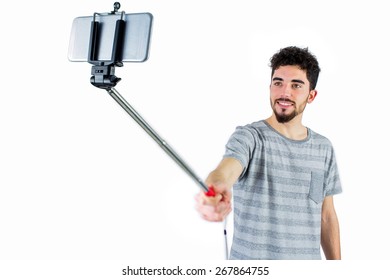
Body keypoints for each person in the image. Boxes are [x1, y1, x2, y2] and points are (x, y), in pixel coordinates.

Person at [195, 46, 342, 260]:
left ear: (311, 95)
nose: (285, 92)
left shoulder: (323, 147)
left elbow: (326, 216)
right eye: (278, 82)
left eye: (296, 85)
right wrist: (216, 188)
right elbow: (224, 172)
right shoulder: (249, 137)